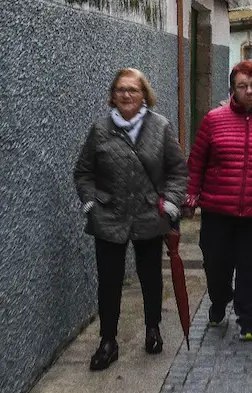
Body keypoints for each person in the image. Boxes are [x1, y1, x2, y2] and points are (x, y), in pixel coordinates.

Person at [74, 68, 188, 371]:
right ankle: (108, 341)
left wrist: (172, 204)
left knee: (150, 276)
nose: (127, 95)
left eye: (133, 90)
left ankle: (153, 328)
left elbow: (177, 171)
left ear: (144, 95)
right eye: (121, 90)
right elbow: (83, 172)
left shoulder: (160, 127)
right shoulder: (100, 129)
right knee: (108, 282)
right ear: (112, 95)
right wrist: (90, 203)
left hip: (149, 214)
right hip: (109, 216)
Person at [184, 60, 252, 341]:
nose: (249, 91)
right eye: (243, 86)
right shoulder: (214, 120)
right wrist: (190, 193)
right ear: (233, 89)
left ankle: (249, 319)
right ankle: (219, 300)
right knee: (216, 264)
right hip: (217, 209)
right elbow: (197, 161)